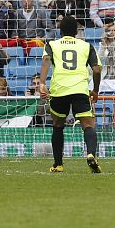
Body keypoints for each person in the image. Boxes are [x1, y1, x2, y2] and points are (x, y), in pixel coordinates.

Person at [38, 15, 102, 173]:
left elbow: (46, 60)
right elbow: (96, 69)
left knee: (58, 125)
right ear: (76, 31)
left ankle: (58, 164)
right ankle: (91, 154)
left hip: (59, 90)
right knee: (88, 124)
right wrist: (95, 90)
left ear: (60, 30)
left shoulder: (52, 44)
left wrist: (41, 83)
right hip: (80, 89)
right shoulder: (86, 46)